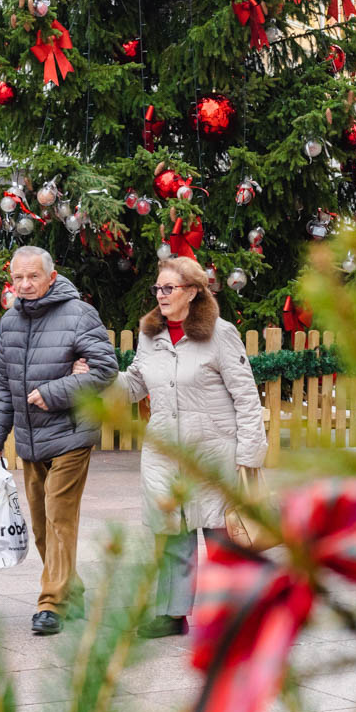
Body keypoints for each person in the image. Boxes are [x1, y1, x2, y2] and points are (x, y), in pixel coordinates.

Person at [91, 257, 265, 639]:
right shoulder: (150, 335)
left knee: (223, 535)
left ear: (193, 292)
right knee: (171, 530)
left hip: (214, 450)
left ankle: (233, 615)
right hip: (166, 451)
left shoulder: (221, 334)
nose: (161, 295)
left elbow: (247, 398)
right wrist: (99, 378)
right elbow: (136, 384)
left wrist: (249, 456)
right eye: (158, 288)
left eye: (169, 288)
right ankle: (171, 614)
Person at [0, 247, 118, 637]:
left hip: (71, 433)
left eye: (33, 277)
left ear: (51, 277)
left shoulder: (79, 314)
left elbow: (106, 368)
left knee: (59, 516)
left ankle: (51, 603)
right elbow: (5, 388)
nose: (25, 285)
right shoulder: (9, 322)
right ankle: (71, 591)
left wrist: (55, 392)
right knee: (42, 525)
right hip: (30, 438)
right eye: (19, 279)